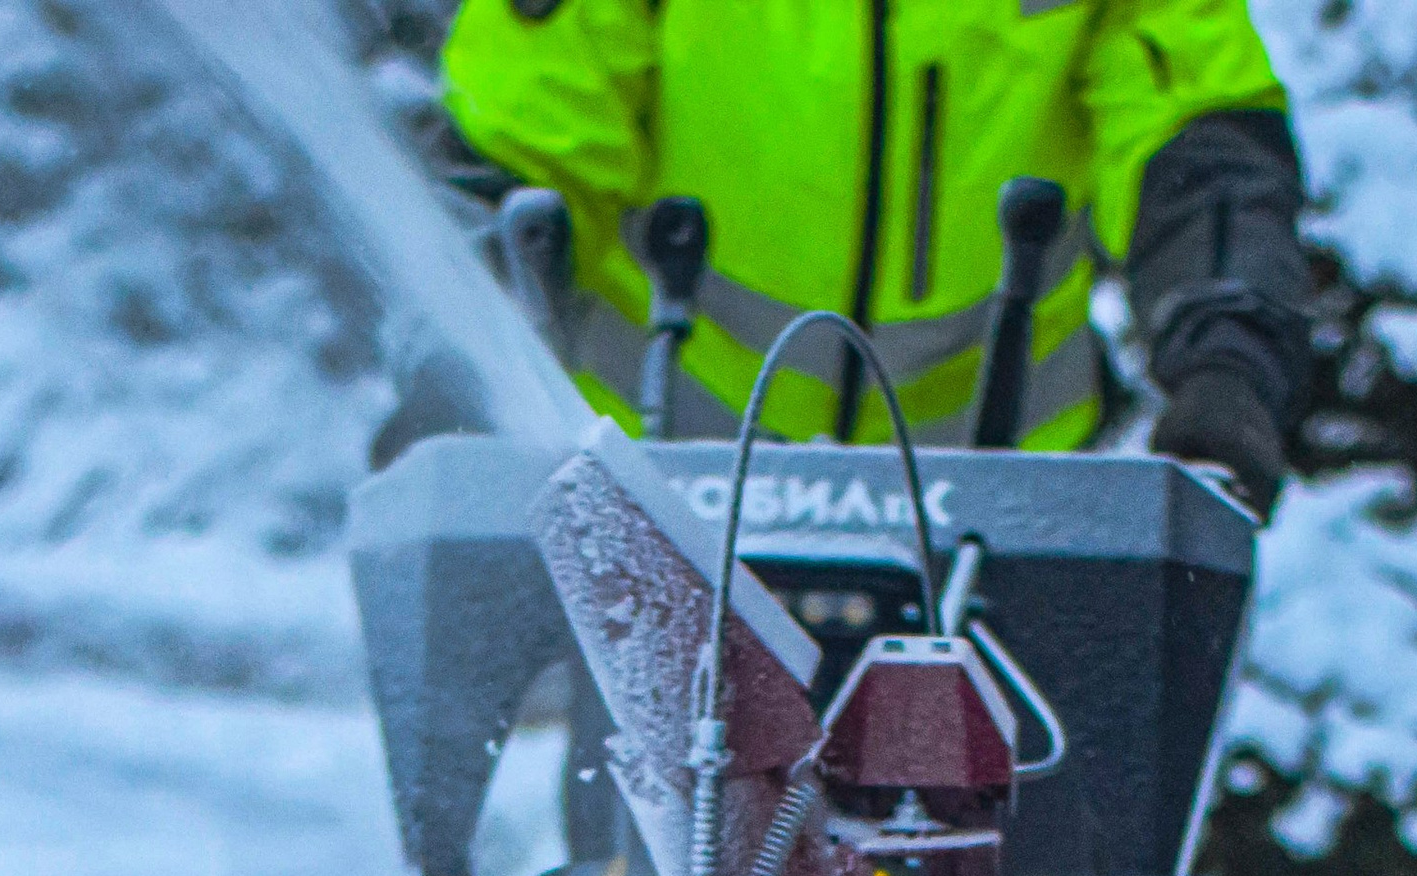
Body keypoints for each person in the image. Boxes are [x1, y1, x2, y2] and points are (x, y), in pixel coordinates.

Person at [422, 0, 1312, 515]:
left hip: (996, 513)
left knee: (1008, 833)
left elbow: (1193, 142)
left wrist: (1227, 357)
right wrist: (461, 357)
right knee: (660, 832)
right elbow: (520, 153)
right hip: (670, 495)